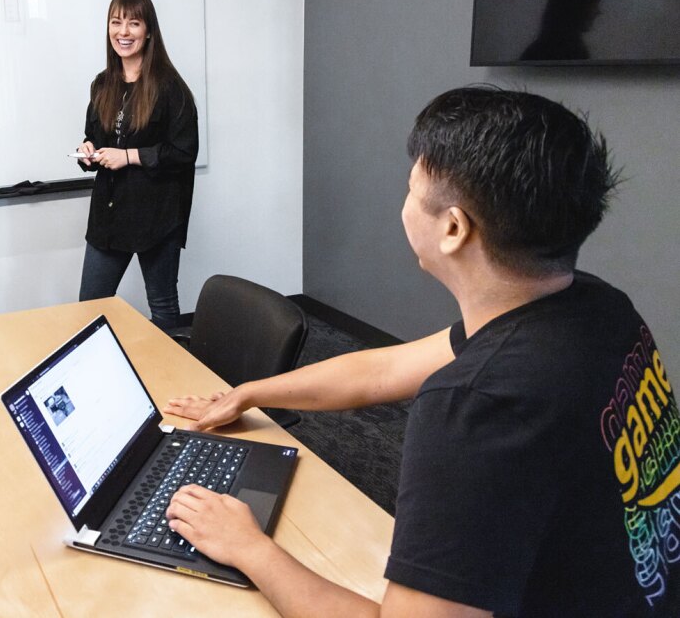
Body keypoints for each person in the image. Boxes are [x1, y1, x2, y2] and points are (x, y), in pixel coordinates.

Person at [163, 86, 680, 616]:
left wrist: (250, 549)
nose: (404, 203)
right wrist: (249, 393)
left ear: (453, 228)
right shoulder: (595, 305)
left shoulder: (477, 408)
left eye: (411, 188)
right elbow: (383, 369)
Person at [75, 0, 198, 330]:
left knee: (162, 307)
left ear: (149, 32)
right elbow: (96, 139)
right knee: (90, 309)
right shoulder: (102, 85)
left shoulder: (170, 88)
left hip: (156, 217)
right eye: (116, 22)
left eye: (133, 23)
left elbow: (183, 153)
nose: (123, 32)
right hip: (110, 215)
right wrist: (87, 151)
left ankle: (174, 380)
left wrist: (128, 156)